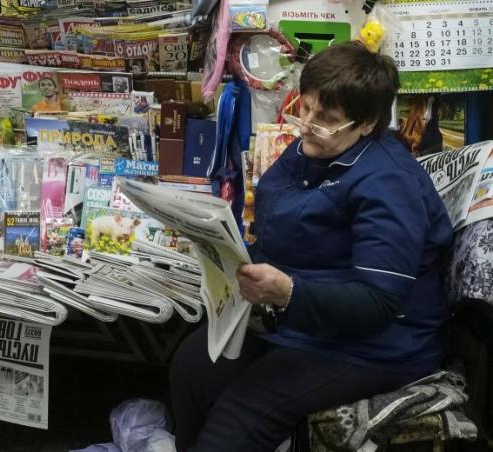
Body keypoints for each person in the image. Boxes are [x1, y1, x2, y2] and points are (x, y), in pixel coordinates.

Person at [169, 41, 454, 452]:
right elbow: (278, 215)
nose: (306, 125)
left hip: (379, 342)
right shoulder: (314, 147)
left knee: (244, 413)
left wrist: (288, 292)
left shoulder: (389, 183)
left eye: (327, 119)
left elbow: (378, 303)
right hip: (303, 318)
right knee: (193, 367)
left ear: (368, 122)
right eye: (305, 108)